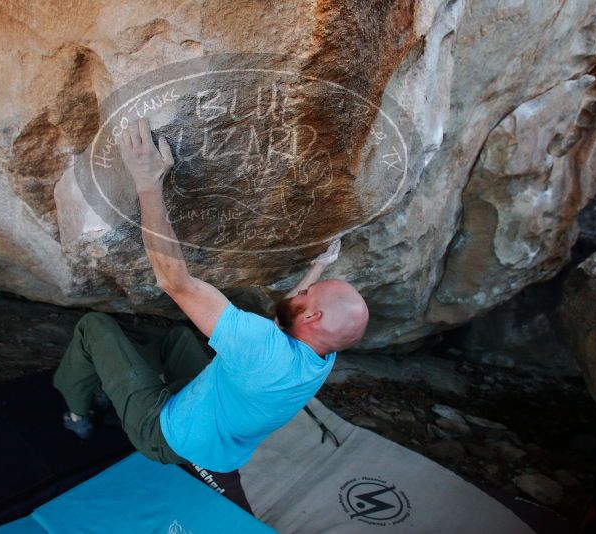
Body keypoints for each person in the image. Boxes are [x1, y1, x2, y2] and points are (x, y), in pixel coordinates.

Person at [52, 117, 369, 473]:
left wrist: (147, 183)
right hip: (213, 427)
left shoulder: (260, 349)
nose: (304, 291)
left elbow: (175, 282)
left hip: (164, 433)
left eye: (309, 293)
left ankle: (77, 412)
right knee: (177, 340)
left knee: (94, 327)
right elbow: (290, 318)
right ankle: (118, 380)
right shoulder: (322, 355)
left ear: (313, 317)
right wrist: (318, 268)